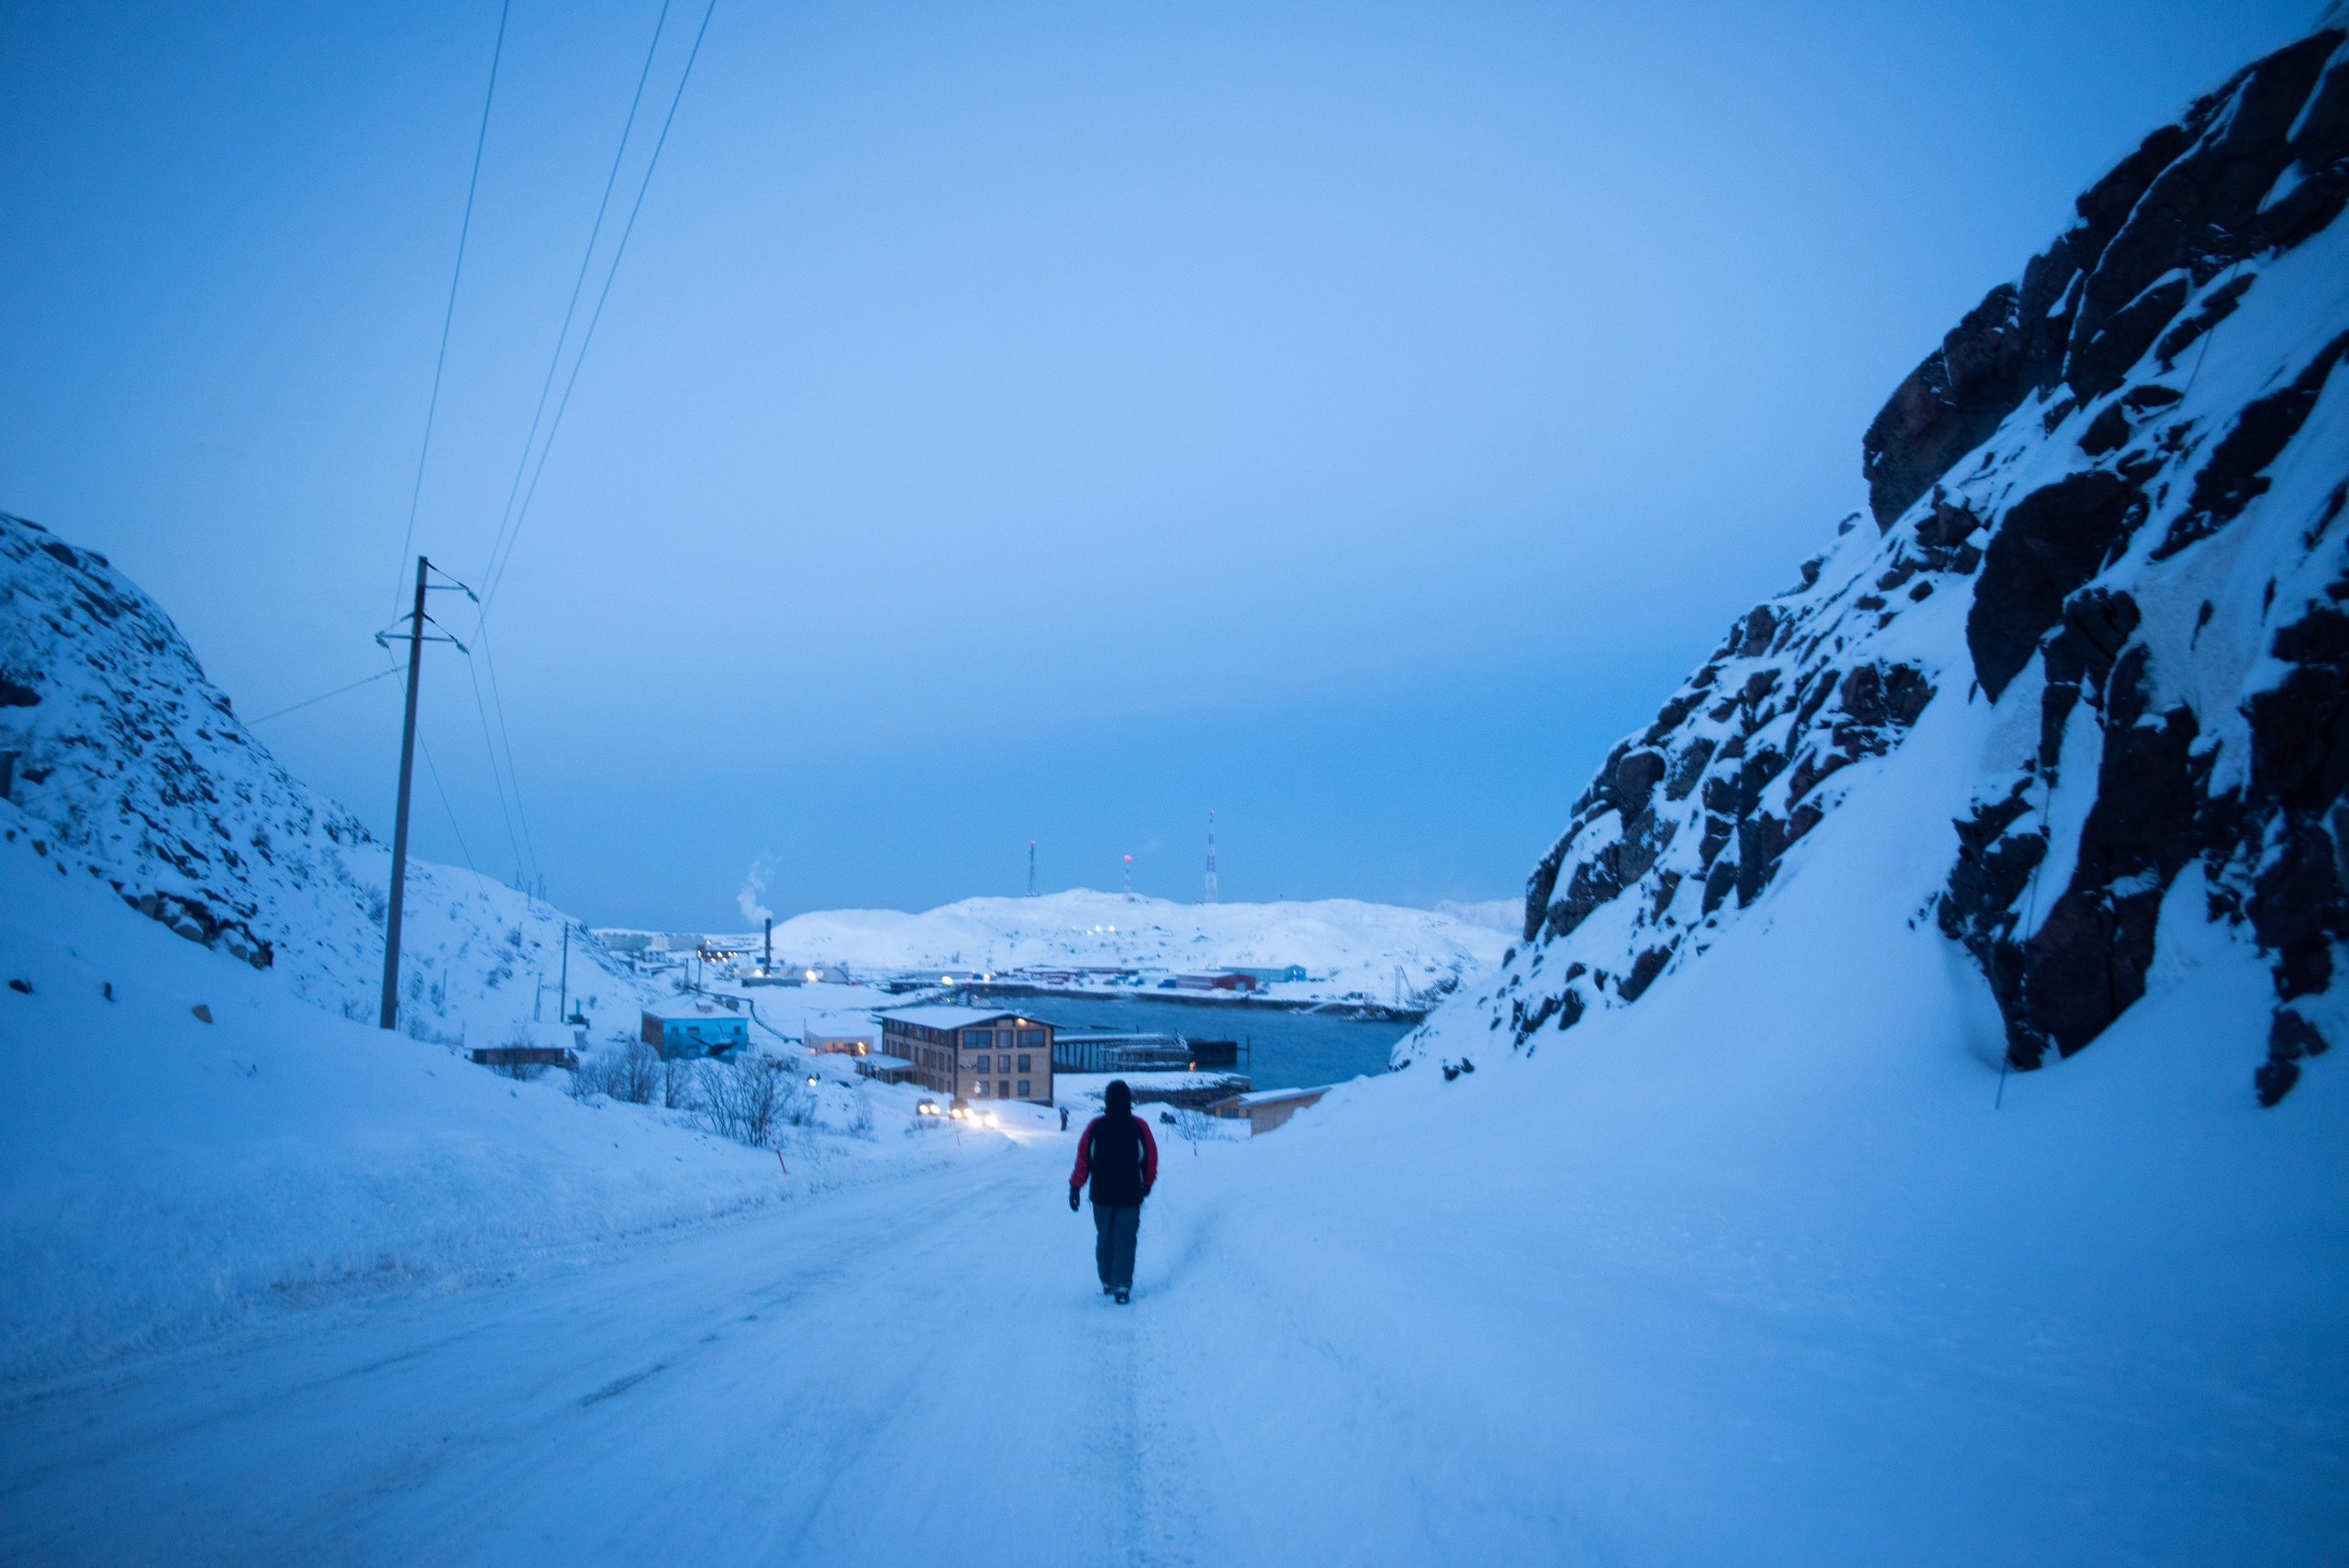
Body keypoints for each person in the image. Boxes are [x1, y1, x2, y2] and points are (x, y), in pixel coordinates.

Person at [1068, 1079, 1157, 1304]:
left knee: (1105, 1237)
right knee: (1126, 1238)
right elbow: (1149, 1157)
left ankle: (1107, 1281)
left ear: (1107, 1101)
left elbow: (1083, 1160)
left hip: (1102, 1195)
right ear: (1128, 1101)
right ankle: (1121, 1285)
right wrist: (1147, 1183)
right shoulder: (1139, 1125)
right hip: (1130, 1193)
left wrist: (1075, 1188)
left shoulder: (1095, 1126)